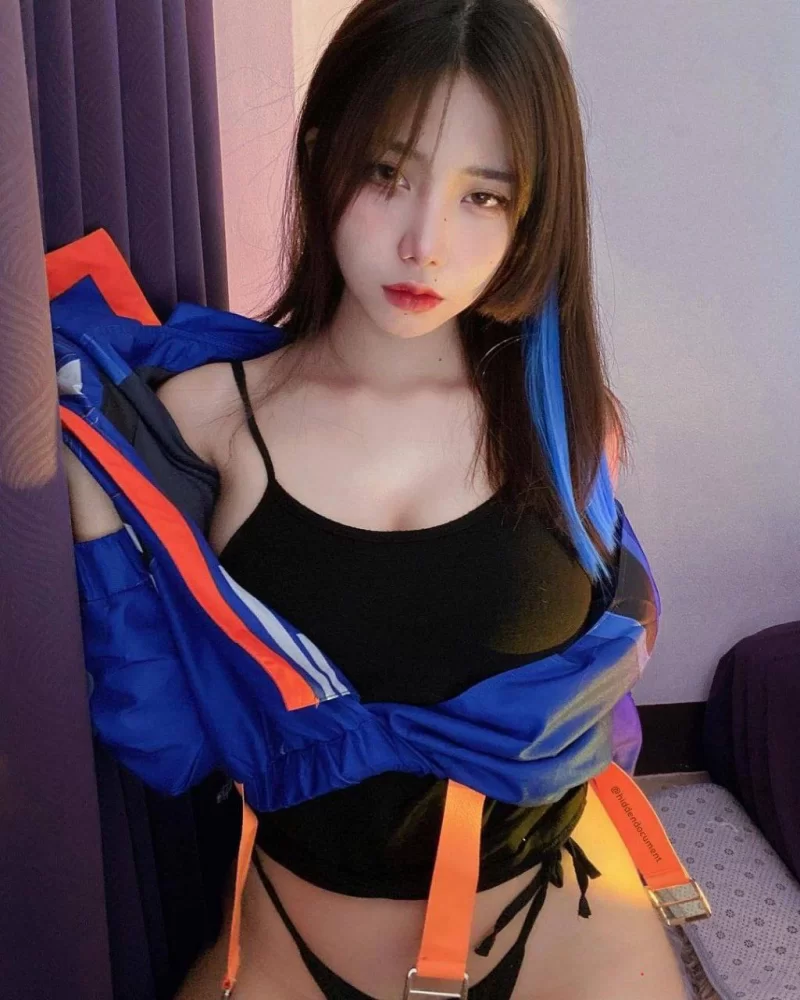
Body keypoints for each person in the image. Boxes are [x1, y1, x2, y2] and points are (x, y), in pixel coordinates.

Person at [62, 0, 692, 997]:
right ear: (322, 160)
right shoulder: (201, 422)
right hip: (291, 953)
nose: (423, 244)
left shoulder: (568, 425)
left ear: (532, 215)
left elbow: (596, 705)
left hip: (565, 933)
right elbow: (160, 727)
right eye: (388, 175)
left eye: (482, 196)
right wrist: (84, 479)